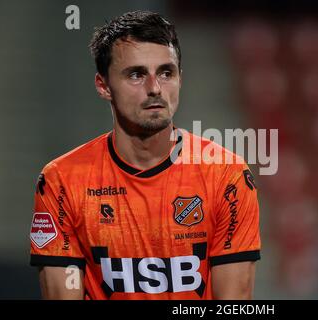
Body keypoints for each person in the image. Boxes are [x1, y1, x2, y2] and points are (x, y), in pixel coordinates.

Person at [29, 10, 261, 300]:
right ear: (103, 86)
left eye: (166, 72)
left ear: (180, 78)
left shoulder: (226, 175)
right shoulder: (61, 182)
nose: (154, 88)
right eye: (136, 75)